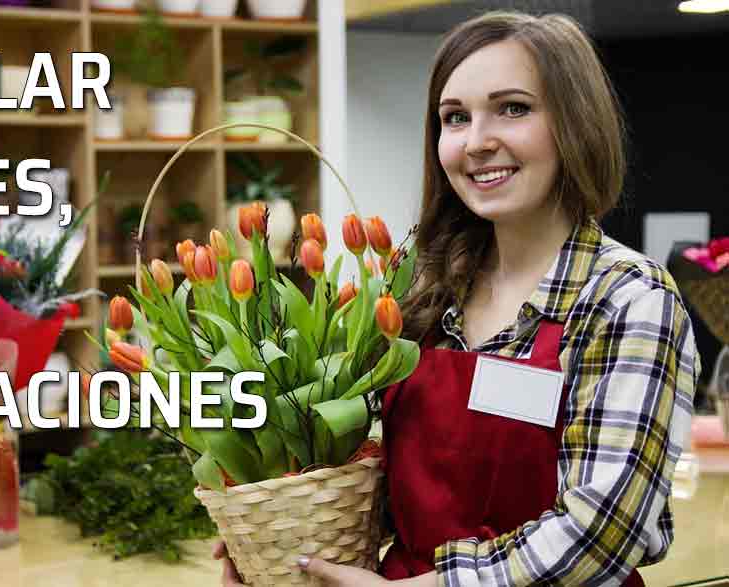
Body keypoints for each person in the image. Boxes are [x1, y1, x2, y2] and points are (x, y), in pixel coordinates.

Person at [214, 9, 700, 587]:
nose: (476, 142)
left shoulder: (625, 299)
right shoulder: (423, 293)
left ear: (575, 123)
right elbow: (383, 479)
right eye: (454, 118)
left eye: (513, 109)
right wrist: (289, 540)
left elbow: (601, 531)